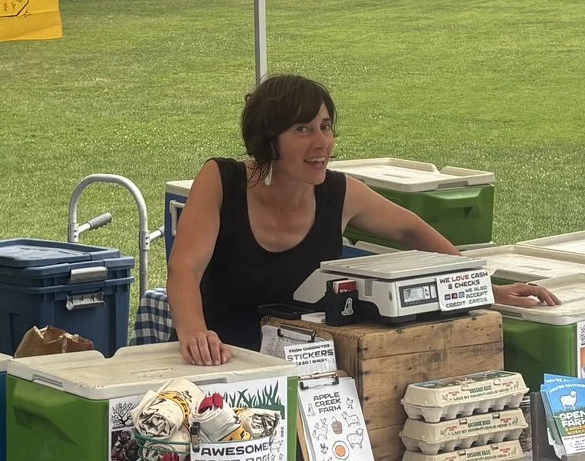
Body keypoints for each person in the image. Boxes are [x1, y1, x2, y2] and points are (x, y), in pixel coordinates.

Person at [168, 74, 558, 364]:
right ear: (269, 139)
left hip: (300, 364)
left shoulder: (340, 193)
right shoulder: (221, 180)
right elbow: (185, 268)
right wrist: (195, 334)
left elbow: (411, 229)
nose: (321, 143)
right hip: (217, 360)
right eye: (302, 129)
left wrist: (482, 288)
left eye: (325, 126)